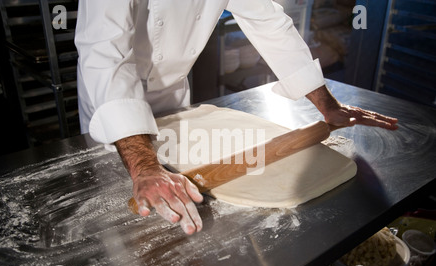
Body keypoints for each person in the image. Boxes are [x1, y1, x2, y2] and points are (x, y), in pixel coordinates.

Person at [75, 0, 398, 235]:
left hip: (170, 93)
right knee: (127, 222)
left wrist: (327, 105)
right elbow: (106, 53)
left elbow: (269, 22)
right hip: (112, 102)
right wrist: (144, 167)